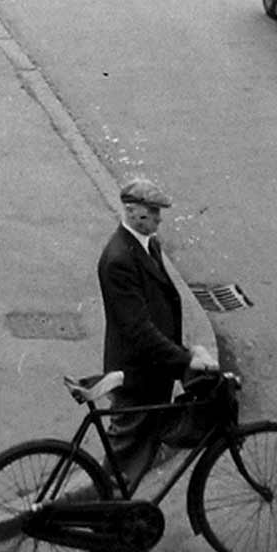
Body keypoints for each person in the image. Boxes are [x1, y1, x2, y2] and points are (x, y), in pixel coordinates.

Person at [96, 178, 217, 486]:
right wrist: (185, 359)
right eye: (152, 211)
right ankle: (103, 518)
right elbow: (138, 329)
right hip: (136, 374)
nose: (159, 218)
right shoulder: (119, 259)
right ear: (133, 211)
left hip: (151, 369)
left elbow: (162, 306)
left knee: (139, 450)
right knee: (122, 455)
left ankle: (115, 515)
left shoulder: (147, 246)